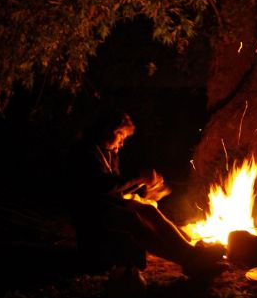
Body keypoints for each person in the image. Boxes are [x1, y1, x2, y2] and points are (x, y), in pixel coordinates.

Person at [65, 107, 225, 277]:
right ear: (108, 130)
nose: (122, 143)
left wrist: (146, 190)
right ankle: (189, 260)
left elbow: (116, 189)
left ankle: (193, 255)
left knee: (148, 210)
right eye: (121, 136)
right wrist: (139, 178)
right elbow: (102, 186)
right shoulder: (83, 151)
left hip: (106, 204)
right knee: (132, 219)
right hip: (88, 209)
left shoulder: (110, 153)